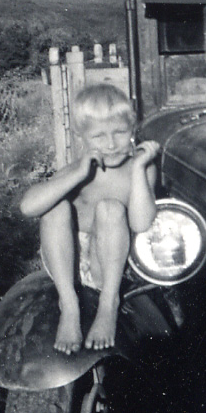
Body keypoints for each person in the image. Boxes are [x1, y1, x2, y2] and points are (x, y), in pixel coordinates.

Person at [20, 83, 160, 354]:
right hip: (66, 266)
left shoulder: (141, 168)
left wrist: (140, 169)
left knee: (110, 208)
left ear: (133, 128)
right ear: (81, 137)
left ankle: (109, 304)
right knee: (54, 207)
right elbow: (28, 207)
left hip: (110, 264)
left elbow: (141, 224)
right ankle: (69, 306)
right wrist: (79, 174)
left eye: (120, 132)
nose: (110, 144)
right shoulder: (78, 170)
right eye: (98, 136)